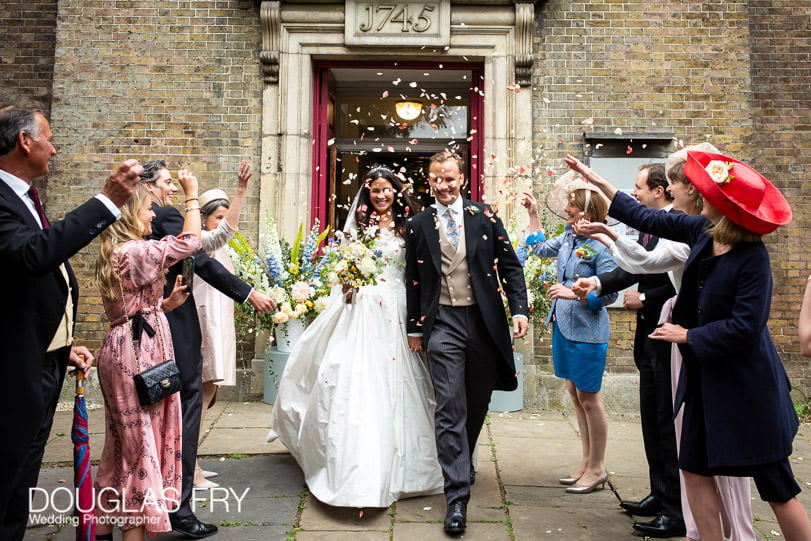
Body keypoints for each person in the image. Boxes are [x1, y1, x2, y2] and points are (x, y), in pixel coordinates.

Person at [566, 149, 811, 540]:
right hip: (703, 382)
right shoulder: (701, 232)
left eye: (697, 188)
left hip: (748, 390)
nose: (687, 191)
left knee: (777, 487)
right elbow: (641, 215)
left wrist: (687, 335)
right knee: (693, 468)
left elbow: (746, 327)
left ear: (718, 203)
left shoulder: (752, 258)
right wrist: (594, 179)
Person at [0, 99, 142, 540]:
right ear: (25, 141)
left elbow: (38, 281)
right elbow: (34, 255)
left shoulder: (26, 197)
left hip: (45, 358)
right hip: (13, 367)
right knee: (6, 473)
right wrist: (108, 200)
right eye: (49, 139)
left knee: (24, 473)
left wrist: (63, 342)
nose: (55, 149)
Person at [269, 165, 444, 508]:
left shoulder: (411, 227)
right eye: (375, 190)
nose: (381, 196)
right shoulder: (357, 230)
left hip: (397, 309)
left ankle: (411, 466)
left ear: (396, 191)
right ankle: (355, 465)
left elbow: (418, 274)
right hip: (362, 308)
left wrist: (417, 323)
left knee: (402, 382)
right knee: (356, 378)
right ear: (367, 194)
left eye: (386, 189)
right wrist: (348, 281)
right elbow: (344, 275)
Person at [142, 159, 275, 538]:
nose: (170, 187)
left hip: (146, 329)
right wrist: (249, 293)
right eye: (166, 181)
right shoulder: (165, 216)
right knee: (184, 411)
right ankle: (177, 506)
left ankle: (152, 500)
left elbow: (212, 245)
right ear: (149, 186)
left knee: (153, 417)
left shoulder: (134, 224)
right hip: (175, 328)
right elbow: (200, 257)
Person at [405, 151, 529, 534]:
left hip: (483, 320)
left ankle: (464, 456)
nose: (442, 186)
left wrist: (520, 309)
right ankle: (456, 497)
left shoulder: (484, 216)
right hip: (441, 322)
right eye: (436, 179)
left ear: (462, 178)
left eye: (449, 179)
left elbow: (510, 265)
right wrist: (415, 328)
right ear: (430, 180)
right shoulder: (419, 224)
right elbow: (413, 278)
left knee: (476, 401)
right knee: (449, 406)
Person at [570, 163, 685, 538]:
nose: (634, 193)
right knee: (652, 419)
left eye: (637, 187)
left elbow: (670, 279)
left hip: (668, 335)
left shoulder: (678, 226)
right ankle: (659, 492)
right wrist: (600, 281)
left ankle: (675, 508)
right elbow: (633, 267)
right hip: (648, 339)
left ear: (660, 190)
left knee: (666, 424)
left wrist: (646, 298)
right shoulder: (651, 228)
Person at [92, 176, 201, 539]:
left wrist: (162, 306)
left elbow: (130, 304)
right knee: (141, 445)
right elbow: (191, 243)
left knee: (124, 442)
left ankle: (101, 529)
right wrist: (191, 196)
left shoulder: (117, 250)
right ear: (128, 215)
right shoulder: (135, 251)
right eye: (146, 210)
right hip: (138, 353)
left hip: (124, 344)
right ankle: (136, 532)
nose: (152, 219)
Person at [519, 171, 618, 498]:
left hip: (589, 331)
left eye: (573, 208)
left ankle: (597, 467)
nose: (568, 211)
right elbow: (538, 249)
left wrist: (575, 293)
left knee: (590, 398)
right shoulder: (568, 239)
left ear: (589, 213)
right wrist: (533, 214)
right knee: (576, 396)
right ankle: (586, 463)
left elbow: (609, 295)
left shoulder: (599, 246)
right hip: (564, 326)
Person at [192, 161, 252, 488]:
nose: (225, 224)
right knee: (201, 397)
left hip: (220, 325)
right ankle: (190, 470)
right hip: (207, 326)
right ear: (204, 219)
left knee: (209, 394)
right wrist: (241, 190)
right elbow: (224, 233)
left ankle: (192, 461)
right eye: (219, 217)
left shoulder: (217, 243)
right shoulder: (200, 239)